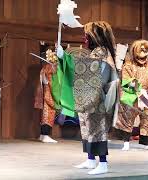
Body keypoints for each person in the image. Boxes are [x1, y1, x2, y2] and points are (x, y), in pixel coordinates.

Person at [57, 21, 118, 175]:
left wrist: (65, 57)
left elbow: (95, 71)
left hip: (98, 98)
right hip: (89, 95)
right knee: (87, 128)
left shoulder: (102, 51)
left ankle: (103, 163)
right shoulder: (96, 52)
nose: (84, 38)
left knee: (97, 130)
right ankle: (91, 159)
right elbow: (87, 68)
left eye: (87, 35)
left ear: (94, 36)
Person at [114, 40, 148, 151]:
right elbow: (126, 80)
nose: (142, 56)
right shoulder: (128, 65)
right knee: (127, 118)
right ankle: (126, 141)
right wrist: (137, 90)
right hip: (133, 94)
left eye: (145, 52)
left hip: (147, 95)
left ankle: (147, 142)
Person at [34, 49, 58, 143]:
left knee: (44, 115)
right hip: (49, 92)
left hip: (45, 91)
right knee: (48, 115)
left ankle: (42, 135)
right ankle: (45, 135)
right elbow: (49, 81)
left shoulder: (45, 67)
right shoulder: (50, 68)